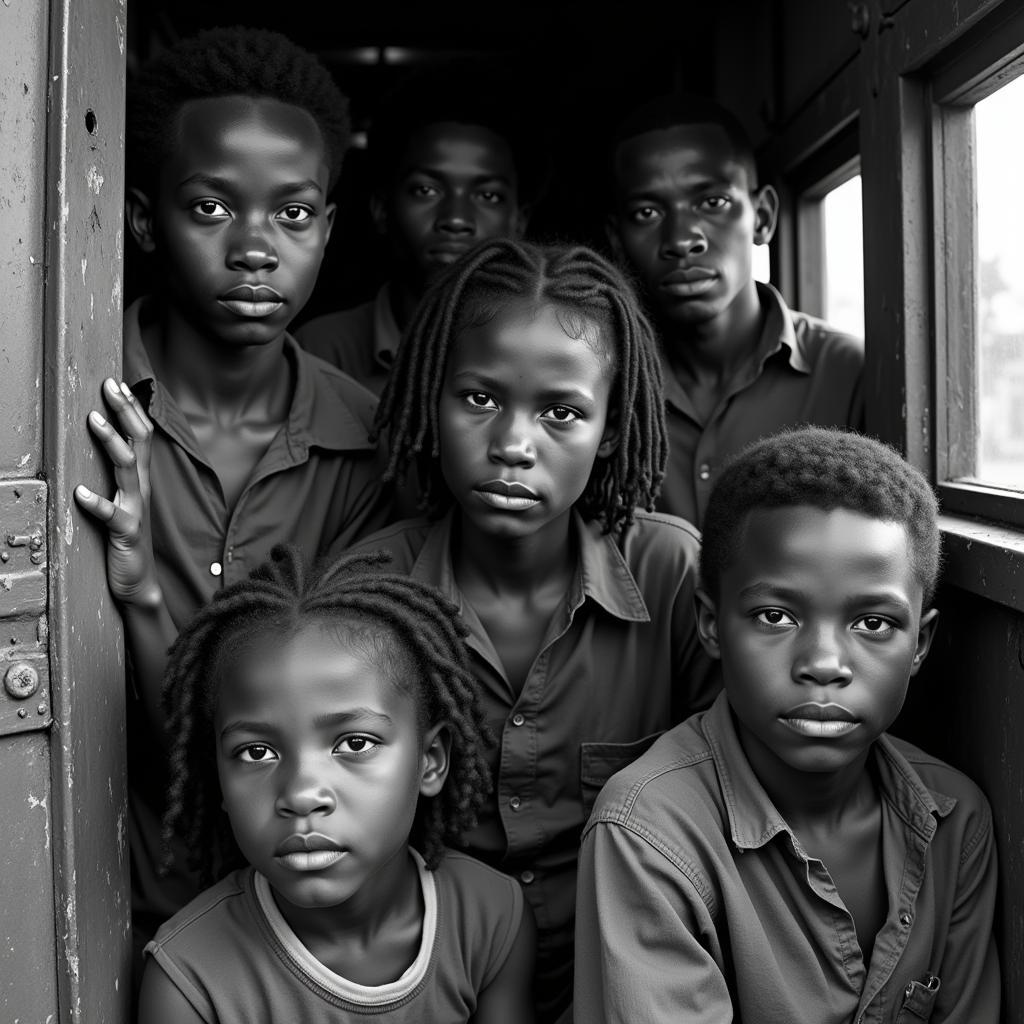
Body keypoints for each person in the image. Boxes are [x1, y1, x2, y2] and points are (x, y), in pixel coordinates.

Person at [73, 25, 391, 973]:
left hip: (305, 920)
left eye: (293, 216)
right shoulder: (63, 410)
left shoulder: (374, 447)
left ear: (329, 230)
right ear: (141, 220)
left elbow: (320, 723)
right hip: (93, 890)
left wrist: (139, 599)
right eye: (211, 207)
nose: (256, 249)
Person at [340, 236, 721, 1022]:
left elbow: (732, 803)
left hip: (635, 975)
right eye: (479, 399)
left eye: (562, 412)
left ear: (611, 430)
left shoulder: (673, 574)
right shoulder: (367, 593)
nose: (514, 445)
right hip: (431, 983)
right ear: (429, 399)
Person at [575, 426, 1000, 1024]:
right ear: (712, 625)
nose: (824, 664)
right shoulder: (646, 833)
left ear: (921, 644)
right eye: (775, 616)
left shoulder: (956, 819)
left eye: (874, 624)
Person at [136, 544, 535, 1023]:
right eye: (256, 752)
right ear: (218, 778)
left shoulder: (492, 918)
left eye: (355, 743)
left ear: (429, 761)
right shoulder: (187, 979)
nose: (302, 794)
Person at [606, 93, 864, 528]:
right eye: (647, 211)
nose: (682, 239)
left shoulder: (849, 372)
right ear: (617, 240)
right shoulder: (602, 379)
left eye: (712, 203)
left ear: (762, 217)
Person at [296, 58, 537, 394]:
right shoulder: (320, 349)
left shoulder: (545, 348)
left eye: (487, 195)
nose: (455, 219)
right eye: (427, 190)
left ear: (519, 222)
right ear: (382, 210)